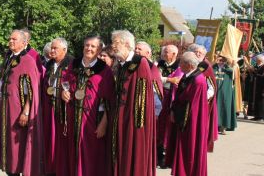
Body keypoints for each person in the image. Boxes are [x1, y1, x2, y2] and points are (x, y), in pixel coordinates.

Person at [58, 35, 114, 176]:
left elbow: (109, 101)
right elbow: (64, 84)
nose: (89, 48)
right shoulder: (74, 64)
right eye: (87, 45)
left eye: (93, 46)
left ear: (99, 49)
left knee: (92, 157)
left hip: (93, 121)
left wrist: (103, 124)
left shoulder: (104, 70)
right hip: (73, 120)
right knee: (72, 154)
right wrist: (63, 93)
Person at [110, 30, 156, 176]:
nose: (113, 46)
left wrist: (136, 127)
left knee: (132, 155)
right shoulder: (122, 64)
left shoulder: (140, 63)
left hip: (134, 121)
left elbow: (142, 99)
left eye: (116, 42)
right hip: (120, 117)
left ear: (127, 44)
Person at [0, 30, 43, 176]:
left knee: (17, 144)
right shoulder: (9, 57)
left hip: (18, 108)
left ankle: (16, 171)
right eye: (10, 38)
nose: (10, 41)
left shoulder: (27, 60)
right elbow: (2, 82)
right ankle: (10, 170)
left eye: (14, 39)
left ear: (24, 43)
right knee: (7, 142)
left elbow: (31, 90)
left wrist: (26, 111)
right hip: (6, 106)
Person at [170, 51, 209, 176]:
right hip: (182, 116)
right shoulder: (188, 76)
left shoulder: (198, 80)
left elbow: (192, 105)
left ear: (190, 65)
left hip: (190, 121)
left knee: (190, 148)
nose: (179, 65)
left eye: (181, 63)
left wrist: (181, 118)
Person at [41, 38, 73, 175]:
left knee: (62, 141)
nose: (51, 50)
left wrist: (68, 92)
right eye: (51, 48)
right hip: (50, 107)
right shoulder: (49, 64)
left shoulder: (72, 64)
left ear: (64, 50)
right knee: (50, 139)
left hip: (64, 109)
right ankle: (50, 169)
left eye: (55, 48)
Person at [156, 44, 183, 169]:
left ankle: (168, 156)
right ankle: (158, 156)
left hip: (172, 98)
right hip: (159, 96)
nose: (164, 53)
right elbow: (155, 78)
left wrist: (166, 80)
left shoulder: (179, 66)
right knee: (159, 127)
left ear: (174, 54)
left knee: (169, 127)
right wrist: (168, 79)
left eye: (166, 52)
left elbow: (179, 80)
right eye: (164, 51)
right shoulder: (159, 64)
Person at [188, 44, 218, 152]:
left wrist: (204, 97)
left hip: (203, 101)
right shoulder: (190, 63)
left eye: (200, 52)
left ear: (204, 55)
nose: (198, 54)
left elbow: (212, 86)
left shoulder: (206, 66)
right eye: (196, 52)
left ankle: (200, 146)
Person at [213, 56, 236, 134]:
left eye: (222, 59)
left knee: (224, 108)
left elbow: (234, 74)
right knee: (215, 108)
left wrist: (230, 64)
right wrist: (214, 62)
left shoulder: (228, 68)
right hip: (214, 91)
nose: (221, 61)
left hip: (225, 91)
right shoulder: (214, 67)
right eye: (219, 59)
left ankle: (223, 127)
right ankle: (214, 127)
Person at [250, 55, 264, 121]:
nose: (256, 61)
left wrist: (257, 75)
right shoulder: (259, 66)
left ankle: (263, 116)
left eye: (257, 60)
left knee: (263, 103)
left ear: (260, 60)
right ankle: (257, 115)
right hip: (257, 87)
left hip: (263, 87)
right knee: (258, 102)